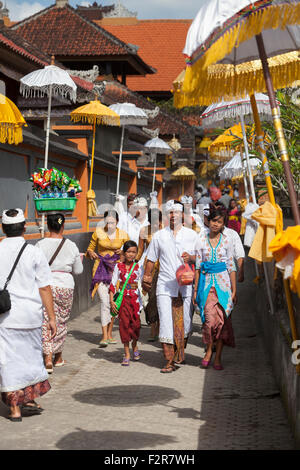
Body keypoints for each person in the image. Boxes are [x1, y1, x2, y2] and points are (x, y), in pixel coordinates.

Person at [0, 208, 56, 421]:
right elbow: (44, 287)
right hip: (30, 316)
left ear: (3, 228)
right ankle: (28, 398)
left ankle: (16, 407)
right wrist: (52, 318)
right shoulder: (33, 252)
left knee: (9, 362)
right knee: (31, 359)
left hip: (5, 316)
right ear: (24, 227)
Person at [142, 200, 198, 373]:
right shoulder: (159, 235)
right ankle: (168, 360)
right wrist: (147, 276)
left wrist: (192, 258)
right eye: (170, 213)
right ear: (167, 215)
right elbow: (151, 258)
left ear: (183, 214)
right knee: (166, 322)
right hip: (165, 286)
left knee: (186, 323)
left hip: (186, 286)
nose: (173, 215)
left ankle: (180, 351)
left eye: (177, 212)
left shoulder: (192, 235)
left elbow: (202, 259)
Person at [36, 213, 83, 372]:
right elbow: (78, 270)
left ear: (48, 226)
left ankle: (47, 357)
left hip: (45, 285)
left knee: (46, 319)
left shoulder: (40, 245)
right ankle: (58, 357)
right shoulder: (71, 246)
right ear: (63, 226)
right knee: (61, 320)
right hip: (65, 286)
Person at [194, 205, 237, 370]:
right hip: (206, 285)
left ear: (223, 224)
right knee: (209, 321)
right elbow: (198, 267)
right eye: (213, 221)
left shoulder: (227, 240)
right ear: (208, 221)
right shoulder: (201, 239)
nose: (215, 224)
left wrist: (234, 290)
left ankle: (217, 356)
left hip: (224, 286)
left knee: (222, 323)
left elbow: (231, 266)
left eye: (219, 222)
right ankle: (209, 350)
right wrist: (195, 290)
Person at [87, 210, 129, 347]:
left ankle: (110, 334)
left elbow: (130, 253)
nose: (110, 224)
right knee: (105, 302)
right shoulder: (98, 232)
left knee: (113, 303)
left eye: (113, 222)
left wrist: (122, 252)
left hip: (116, 272)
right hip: (100, 270)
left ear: (117, 222)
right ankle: (104, 336)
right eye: (108, 222)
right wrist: (91, 253)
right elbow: (89, 250)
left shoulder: (123, 235)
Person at [109, 240, 142, 366]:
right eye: (128, 252)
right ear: (124, 252)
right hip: (123, 301)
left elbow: (143, 284)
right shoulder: (118, 266)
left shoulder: (139, 267)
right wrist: (112, 301)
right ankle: (127, 353)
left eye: (134, 252)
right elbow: (112, 284)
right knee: (124, 326)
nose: (131, 254)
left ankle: (134, 345)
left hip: (136, 300)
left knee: (136, 325)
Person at [137, 209, 162, 342]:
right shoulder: (144, 231)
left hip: (163, 267)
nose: (155, 223)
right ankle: (153, 326)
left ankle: (160, 327)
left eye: (156, 220)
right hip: (149, 268)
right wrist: (131, 262)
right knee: (149, 298)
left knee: (160, 297)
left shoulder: (166, 231)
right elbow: (140, 250)